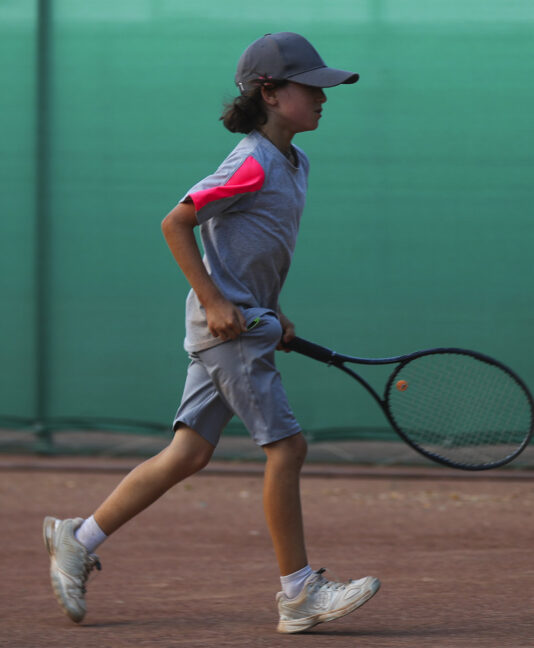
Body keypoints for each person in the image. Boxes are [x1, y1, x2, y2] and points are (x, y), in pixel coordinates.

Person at [43, 31, 380, 634]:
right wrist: (216, 300)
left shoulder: (295, 161)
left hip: (243, 323)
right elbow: (177, 223)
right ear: (271, 93)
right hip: (227, 330)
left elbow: (250, 251)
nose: (325, 97)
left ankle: (78, 537)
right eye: (313, 87)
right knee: (288, 448)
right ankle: (299, 593)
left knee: (190, 451)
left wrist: (268, 311)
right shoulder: (250, 161)